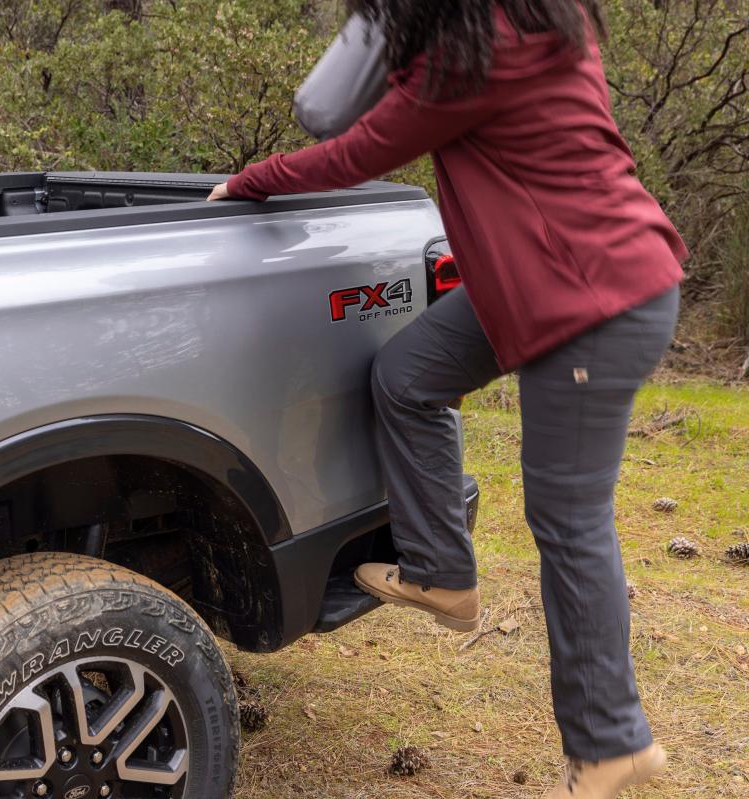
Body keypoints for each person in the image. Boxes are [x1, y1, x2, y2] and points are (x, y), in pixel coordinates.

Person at [207, 1, 686, 797]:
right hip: (541, 279)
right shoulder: (535, 23)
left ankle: (610, 741)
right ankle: (441, 571)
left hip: (590, 301)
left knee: (569, 520)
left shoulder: (480, 55)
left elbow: (356, 147)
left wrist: (250, 181)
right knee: (408, 376)